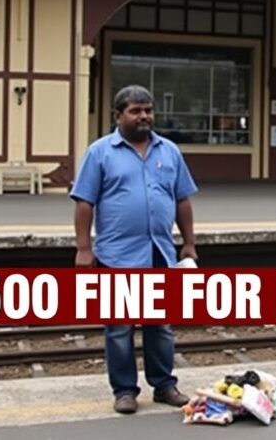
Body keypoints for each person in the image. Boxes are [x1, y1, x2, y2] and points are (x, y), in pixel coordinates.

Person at [70, 85, 198, 415]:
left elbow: (182, 199)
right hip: (116, 255)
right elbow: (84, 202)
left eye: (148, 110)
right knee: (119, 329)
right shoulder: (100, 152)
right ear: (118, 115)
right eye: (135, 111)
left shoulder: (169, 151)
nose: (144, 116)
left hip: (159, 252)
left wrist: (189, 244)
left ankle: (164, 385)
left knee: (161, 326)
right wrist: (84, 248)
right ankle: (125, 390)